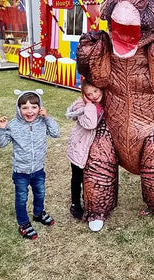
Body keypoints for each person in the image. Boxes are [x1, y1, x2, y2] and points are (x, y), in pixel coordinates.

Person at [0, 89, 60, 240]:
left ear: (40, 108)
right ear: (18, 109)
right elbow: (1, 144)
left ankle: (38, 213)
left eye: (34, 107)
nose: (29, 111)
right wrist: (1, 129)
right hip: (21, 172)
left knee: (40, 193)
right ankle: (24, 223)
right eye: (25, 107)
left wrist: (48, 118)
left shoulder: (42, 122)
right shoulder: (13, 125)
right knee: (21, 198)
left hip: (38, 169)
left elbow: (56, 133)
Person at [65, 79, 104, 224]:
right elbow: (90, 124)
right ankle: (75, 203)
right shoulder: (84, 106)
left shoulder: (103, 103)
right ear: (84, 95)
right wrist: (89, 105)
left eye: (95, 91)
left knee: (90, 176)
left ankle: (87, 200)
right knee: (77, 177)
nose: (93, 95)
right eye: (89, 93)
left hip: (92, 148)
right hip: (80, 147)